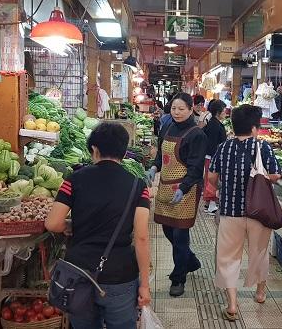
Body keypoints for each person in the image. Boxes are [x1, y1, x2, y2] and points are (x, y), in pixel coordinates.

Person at [45, 122, 151, 329]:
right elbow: (141, 237)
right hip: (119, 275)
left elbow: (52, 223)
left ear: (94, 149)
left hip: (78, 273)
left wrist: (69, 225)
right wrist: (145, 285)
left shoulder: (74, 179)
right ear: (123, 151)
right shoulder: (138, 186)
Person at [207, 104, 282, 322]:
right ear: (254, 127)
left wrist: (225, 186)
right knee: (259, 252)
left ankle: (231, 304)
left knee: (228, 257)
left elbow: (212, 177)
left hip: (231, 212)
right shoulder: (263, 148)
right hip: (259, 212)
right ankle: (260, 293)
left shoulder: (223, 147)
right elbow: (276, 175)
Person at [146, 92, 207, 297]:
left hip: (186, 190)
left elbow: (196, 168)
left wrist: (184, 188)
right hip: (165, 185)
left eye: (181, 109)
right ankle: (190, 260)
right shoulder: (167, 126)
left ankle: (178, 278)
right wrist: (154, 168)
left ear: (191, 110)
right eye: (174, 108)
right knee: (167, 230)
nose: (177, 112)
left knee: (180, 235)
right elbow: (161, 156)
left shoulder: (196, 134)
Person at [202, 99, 228, 215]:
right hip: (212, 156)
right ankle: (211, 205)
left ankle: (209, 204)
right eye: (224, 111)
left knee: (210, 178)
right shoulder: (214, 125)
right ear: (218, 112)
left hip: (212, 156)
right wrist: (216, 158)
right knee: (212, 179)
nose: (225, 113)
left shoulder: (214, 122)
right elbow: (212, 143)